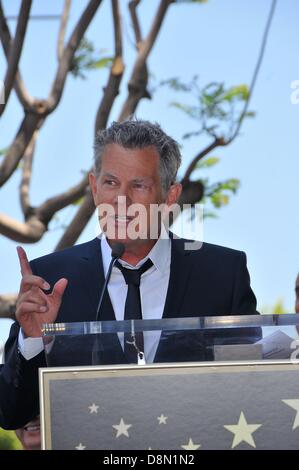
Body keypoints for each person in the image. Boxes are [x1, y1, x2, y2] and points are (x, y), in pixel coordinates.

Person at [0, 119, 258, 430]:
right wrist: (33, 341)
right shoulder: (50, 279)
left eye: (139, 185)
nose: (121, 200)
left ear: (170, 196)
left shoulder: (222, 273)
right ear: (95, 188)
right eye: (110, 183)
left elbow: (254, 393)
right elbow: (12, 413)